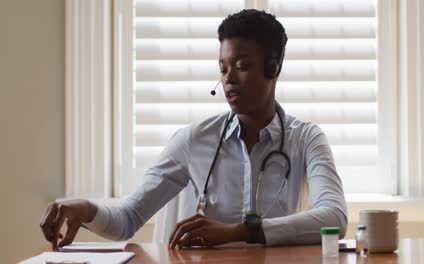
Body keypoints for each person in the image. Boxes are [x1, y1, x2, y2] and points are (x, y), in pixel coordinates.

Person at [40, 9, 347, 250]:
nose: (228, 80)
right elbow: (127, 219)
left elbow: (334, 216)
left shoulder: (306, 138)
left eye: (241, 66)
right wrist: (88, 209)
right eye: (223, 68)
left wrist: (239, 232)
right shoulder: (193, 139)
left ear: (273, 67)